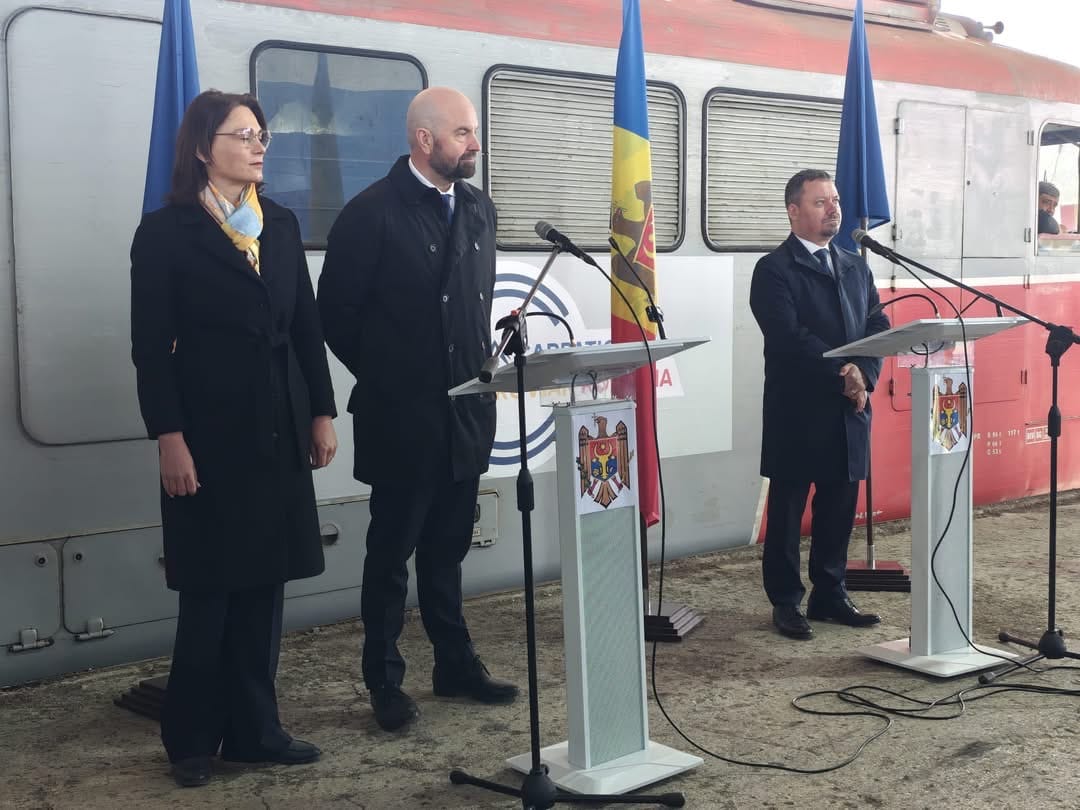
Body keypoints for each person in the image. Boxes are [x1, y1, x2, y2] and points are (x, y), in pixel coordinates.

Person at [130, 90, 338, 786]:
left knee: (263, 589)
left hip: (278, 428)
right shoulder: (166, 233)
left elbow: (305, 326)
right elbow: (150, 350)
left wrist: (321, 412)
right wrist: (169, 437)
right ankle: (191, 740)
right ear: (201, 148)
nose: (258, 147)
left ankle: (256, 732)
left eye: (261, 135)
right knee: (211, 590)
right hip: (207, 436)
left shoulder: (278, 224)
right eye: (243, 135)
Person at [317, 86, 518, 732]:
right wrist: (393, 375)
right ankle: (384, 678)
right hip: (401, 418)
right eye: (463, 133)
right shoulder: (371, 213)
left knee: (447, 549)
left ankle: (454, 665)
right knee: (390, 556)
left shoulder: (479, 209)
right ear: (424, 140)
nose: (475, 144)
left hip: (465, 413)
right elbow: (335, 316)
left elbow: (473, 305)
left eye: (474, 131)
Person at [749, 169, 891, 640]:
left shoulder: (854, 265)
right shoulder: (774, 270)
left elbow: (876, 325)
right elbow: (789, 337)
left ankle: (830, 593)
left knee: (839, 504)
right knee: (788, 510)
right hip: (798, 409)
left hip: (849, 407)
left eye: (836, 200)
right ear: (793, 212)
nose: (834, 209)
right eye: (820, 202)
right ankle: (786, 601)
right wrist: (843, 373)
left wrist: (864, 374)